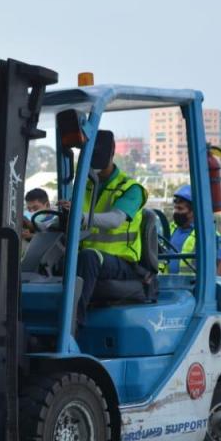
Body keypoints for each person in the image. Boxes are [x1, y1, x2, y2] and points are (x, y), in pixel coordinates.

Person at [58, 131, 147, 322]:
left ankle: (73, 325)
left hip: (123, 263)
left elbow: (115, 220)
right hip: (91, 260)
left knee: (89, 257)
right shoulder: (84, 187)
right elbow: (73, 218)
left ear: (112, 151)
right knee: (56, 259)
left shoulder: (130, 188)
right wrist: (40, 225)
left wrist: (79, 215)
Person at [164, 184, 221, 276]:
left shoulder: (205, 234)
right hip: (167, 283)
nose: (175, 212)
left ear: (193, 212)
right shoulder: (169, 229)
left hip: (192, 285)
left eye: (180, 209)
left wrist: (212, 284)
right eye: (175, 208)